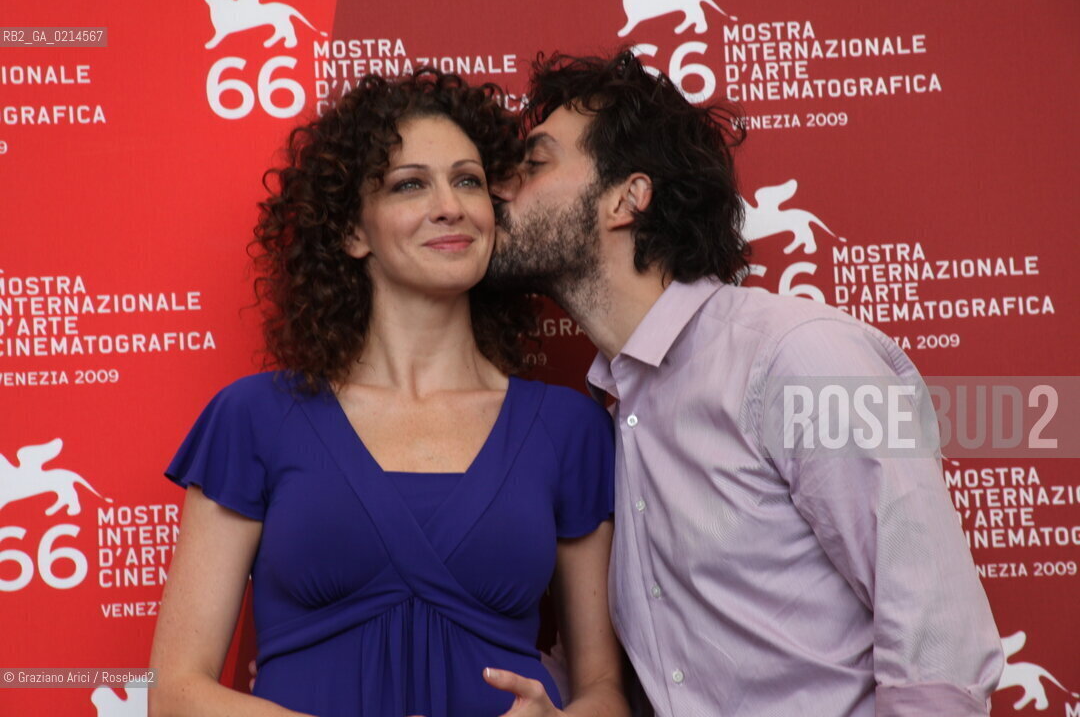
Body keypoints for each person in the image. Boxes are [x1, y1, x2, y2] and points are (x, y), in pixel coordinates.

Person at [487, 51, 1003, 716]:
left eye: (535, 164)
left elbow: (941, 637)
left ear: (627, 198)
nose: (500, 189)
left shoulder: (803, 353)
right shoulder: (604, 415)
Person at [149, 71, 629, 717]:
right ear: (353, 232)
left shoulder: (568, 427)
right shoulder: (254, 418)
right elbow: (175, 694)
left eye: (467, 180)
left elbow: (604, 693)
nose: (449, 205)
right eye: (410, 184)